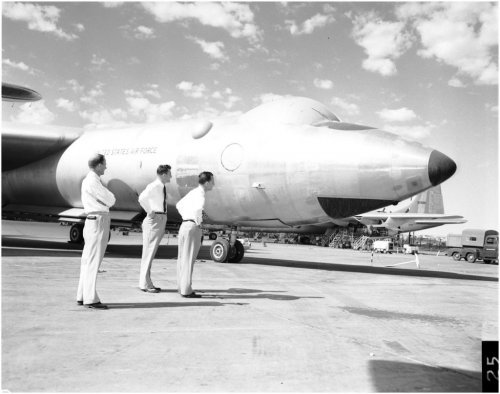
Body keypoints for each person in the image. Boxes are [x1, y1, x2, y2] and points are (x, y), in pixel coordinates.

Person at [77, 153, 116, 310]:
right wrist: (109, 197)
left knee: (87, 260)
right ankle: (90, 298)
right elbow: (111, 200)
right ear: (99, 165)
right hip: (98, 220)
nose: (106, 167)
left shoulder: (89, 180)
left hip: (92, 220)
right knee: (93, 261)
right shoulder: (93, 181)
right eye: (104, 164)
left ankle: (82, 295)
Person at [175, 171, 214, 298]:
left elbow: (178, 205)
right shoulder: (201, 195)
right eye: (212, 181)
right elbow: (198, 210)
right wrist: (198, 222)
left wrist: (186, 217)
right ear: (207, 183)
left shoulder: (193, 192)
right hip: (192, 227)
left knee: (182, 258)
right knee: (189, 258)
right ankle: (186, 290)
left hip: (184, 225)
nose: (213, 184)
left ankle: (181, 287)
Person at [137, 164, 172, 293]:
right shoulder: (154, 185)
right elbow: (141, 198)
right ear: (163, 174)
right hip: (155, 219)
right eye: (169, 174)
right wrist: (150, 211)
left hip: (160, 219)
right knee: (148, 252)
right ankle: (145, 284)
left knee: (149, 253)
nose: (171, 176)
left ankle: (146, 282)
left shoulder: (160, 186)